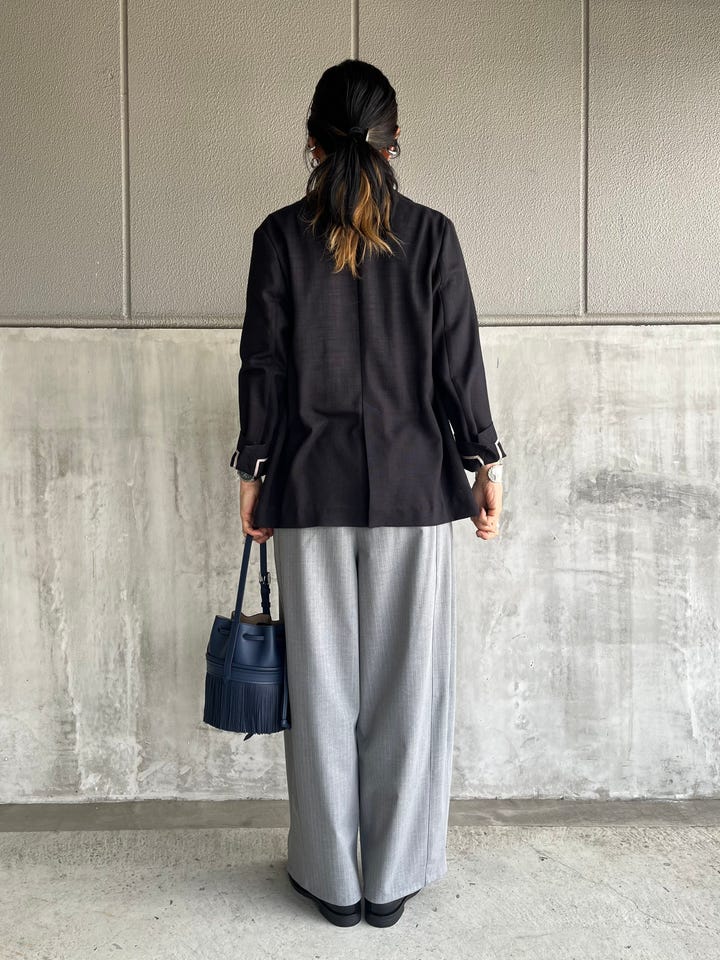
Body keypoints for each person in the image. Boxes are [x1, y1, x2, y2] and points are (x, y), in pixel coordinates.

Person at [230, 58, 507, 928]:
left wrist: (253, 470)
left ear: (313, 143)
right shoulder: (433, 235)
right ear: (395, 140)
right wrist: (484, 464)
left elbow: (264, 365)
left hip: (309, 489)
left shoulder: (279, 237)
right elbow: (458, 364)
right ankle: (389, 883)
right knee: (406, 694)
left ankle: (331, 881)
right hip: (415, 491)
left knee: (321, 696)